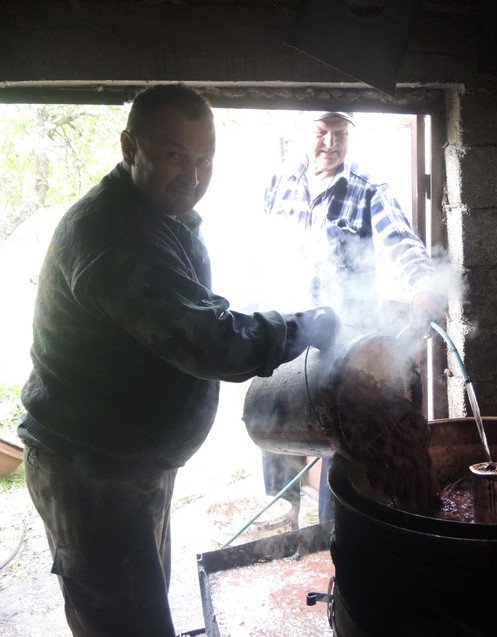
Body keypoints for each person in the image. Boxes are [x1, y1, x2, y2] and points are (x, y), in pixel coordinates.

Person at [16, 84, 340, 637]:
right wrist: (304, 326)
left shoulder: (156, 215)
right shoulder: (114, 235)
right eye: (173, 156)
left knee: (141, 607)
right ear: (128, 148)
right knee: (127, 624)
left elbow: (197, 308)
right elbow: (206, 340)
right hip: (91, 474)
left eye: (204, 159)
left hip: (129, 464)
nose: (192, 176)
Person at [260, 110, 445, 525]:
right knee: (276, 430)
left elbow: (402, 243)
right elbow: (265, 248)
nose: (331, 142)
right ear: (301, 133)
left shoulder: (367, 189)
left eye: (340, 133)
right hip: (286, 332)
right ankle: (282, 524)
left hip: (340, 343)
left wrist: (424, 286)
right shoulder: (281, 180)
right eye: (321, 132)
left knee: (341, 441)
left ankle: (335, 533)